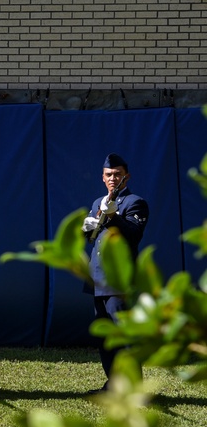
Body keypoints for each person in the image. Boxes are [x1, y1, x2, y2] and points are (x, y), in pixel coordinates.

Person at [81, 153, 148, 393]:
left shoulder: (135, 202)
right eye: (109, 175)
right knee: (106, 339)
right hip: (98, 278)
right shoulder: (98, 201)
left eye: (117, 174)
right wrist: (88, 226)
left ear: (126, 176)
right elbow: (91, 239)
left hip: (119, 280)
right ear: (102, 177)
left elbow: (133, 234)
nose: (113, 178)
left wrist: (112, 217)